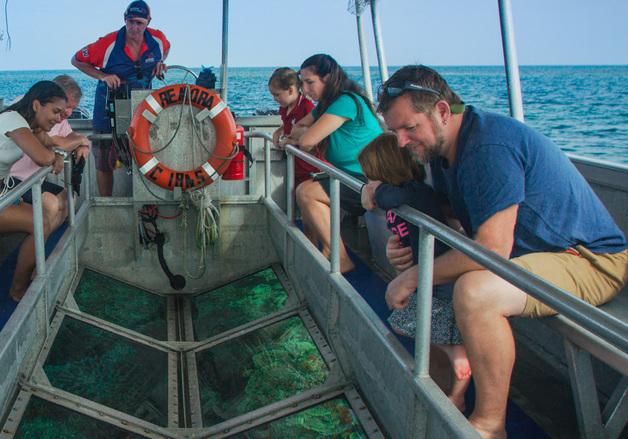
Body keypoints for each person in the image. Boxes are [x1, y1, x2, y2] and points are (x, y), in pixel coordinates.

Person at [375, 65, 628, 439]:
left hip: (591, 260)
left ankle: (491, 425)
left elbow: (491, 250)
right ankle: (447, 396)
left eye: (409, 127)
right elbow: (451, 220)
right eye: (394, 130)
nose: (400, 141)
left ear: (442, 111)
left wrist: (413, 275)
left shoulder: (488, 146)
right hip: (536, 257)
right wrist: (404, 248)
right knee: (446, 275)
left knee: (476, 291)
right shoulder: (446, 151)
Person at [358, 132, 471, 410]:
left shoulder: (413, 192)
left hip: (440, 276)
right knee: (421, 326)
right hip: (425, 275)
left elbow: (385, 195)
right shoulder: (404, 195)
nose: (369, 184)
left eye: (370, 176)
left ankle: (456, 356)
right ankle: (454, 393)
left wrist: (372, 191)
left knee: (421, 325)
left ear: (386, 172)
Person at [287, 54, 383, 273]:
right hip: (348, 176)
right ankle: (326, 249)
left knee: (306, 193)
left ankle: (340, 257)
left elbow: (307, 141)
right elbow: (297, 128)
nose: (305, 88)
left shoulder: (346, 101)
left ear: (328, 78)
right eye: (302, 82)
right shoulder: (326, 105)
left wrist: (305, 134)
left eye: (309, 82)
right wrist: (303, 133)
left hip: (368, 180)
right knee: (304, 190)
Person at [71, 0, 170, 196]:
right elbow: (77, 59)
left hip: (141, 106)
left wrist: (160, 62)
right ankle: (107, 205)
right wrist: (103, 76)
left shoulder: (158, 40)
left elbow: (166, 49)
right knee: (104, 161)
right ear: (125, 19)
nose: (134, 27)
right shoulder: (107, 44)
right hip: (109, 106)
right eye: (131, 22)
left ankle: (146, 201)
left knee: (145, 156)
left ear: (148, 22)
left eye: (139, 23)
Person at [0, 81, 68, 301]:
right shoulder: (12, 120)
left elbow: (46, 141)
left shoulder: (25, 126)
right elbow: (43, 157)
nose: (59, 119)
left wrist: (79, 145)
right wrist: (54, 157)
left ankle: (26, 280)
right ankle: (18, 291)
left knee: (42, 223)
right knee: (40, 224)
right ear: (37, 104)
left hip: (4, 193)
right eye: (56, 112)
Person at [10, 75, 90, 231]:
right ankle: (40, 245)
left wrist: (82, 145)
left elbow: (67, 138)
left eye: (72, 108)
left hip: (33, 180)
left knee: (70, 198)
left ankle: (46, 242)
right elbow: (51, 147)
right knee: (51, 206)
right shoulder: (23, 110)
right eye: (66, 107)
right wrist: (76, 142)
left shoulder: (58, 116)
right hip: (13, 181)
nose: (67, 113)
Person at [268, 67, 320, 188]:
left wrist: (293, 142)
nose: (275, 99)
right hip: (295, 165)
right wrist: (279, 131)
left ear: (291, 90)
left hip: (310, 167)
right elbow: (290, 123)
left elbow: (315, 138)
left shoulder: (307, 107)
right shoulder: (284, 107)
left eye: (277, 95)